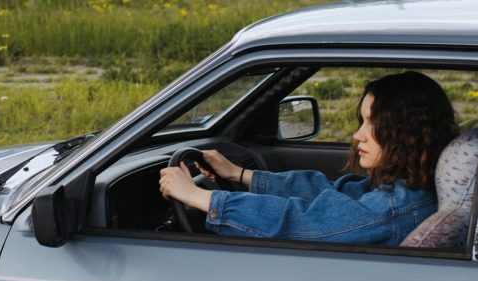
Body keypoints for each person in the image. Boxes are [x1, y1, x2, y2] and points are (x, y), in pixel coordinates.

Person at [159, 71, 459, 246]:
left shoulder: (394, 209)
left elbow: (305, 220)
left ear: (406, 134)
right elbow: (334, 192)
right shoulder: (411, 189)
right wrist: (239, 174)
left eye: (373, 126)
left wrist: (200, 198)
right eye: (361, 122)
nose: (358, 136)